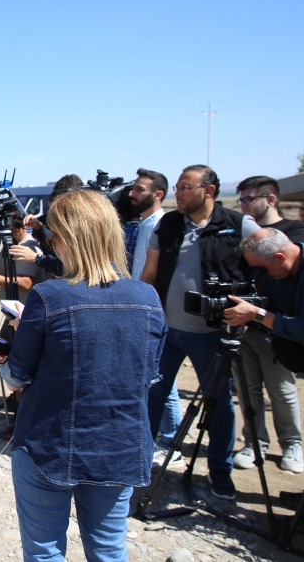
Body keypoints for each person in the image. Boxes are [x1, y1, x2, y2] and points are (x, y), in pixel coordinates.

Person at [0, 188, 166, 562]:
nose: (50, 244)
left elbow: (15, 379)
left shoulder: (48, 297)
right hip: (121, 445)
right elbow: (150, 375)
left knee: (44, 552)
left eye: (52, 236)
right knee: (108, 549)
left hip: (49, 444)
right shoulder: (148, 298)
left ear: (67, 239)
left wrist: (15, 340)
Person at [141, 164, 259, 500]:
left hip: (212, 333)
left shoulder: (238, 225)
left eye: (185, 187)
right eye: (177, 187)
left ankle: (220, 471)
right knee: (151, 396)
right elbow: (149, 273)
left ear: (208, 190)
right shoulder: (169, 224)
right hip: (166, 329)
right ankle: (139, 463)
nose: (178, 193)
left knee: (219, 404)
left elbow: (261, 266)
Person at [223, 229, 304, 533]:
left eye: (263, 270)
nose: (263, 277)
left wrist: (258, 314)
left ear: (279, 256)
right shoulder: (289, 271)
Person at [231, 176, 304, 473]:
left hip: (278, 329)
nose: (243, 205)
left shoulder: (293, 233)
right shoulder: (250, 241)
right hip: (249, 327)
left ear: (271, 199)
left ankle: (291, 444)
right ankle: (254, 442)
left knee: (282, 391)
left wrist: (261, 315)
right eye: (240, 200)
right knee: (248, 390)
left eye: (249, 199)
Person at [126, 168, 185, 469]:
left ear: (158, 194)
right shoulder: (144, 224)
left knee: (161, 377)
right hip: (141, 305)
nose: (131, 194)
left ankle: (171, 440)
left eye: (138, 189)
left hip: (152, 311)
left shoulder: (161, 225)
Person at [0, 215, 43, 381]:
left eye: (10, 229)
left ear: (20, 227)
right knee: (10, 364)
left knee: (24, 366)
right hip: (10, 316)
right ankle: (13, 400)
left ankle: (20, 404)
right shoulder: (5, 245)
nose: (7, 233)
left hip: (27, 316)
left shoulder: (28, 247)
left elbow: (26, 282)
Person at [9, 174, 84, 277]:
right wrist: (38, 227)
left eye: (55, 199)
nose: (50, 205)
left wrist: (37, 258)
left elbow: (68, 268)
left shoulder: (83, 227)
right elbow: (52, 247)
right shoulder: (57, 222)